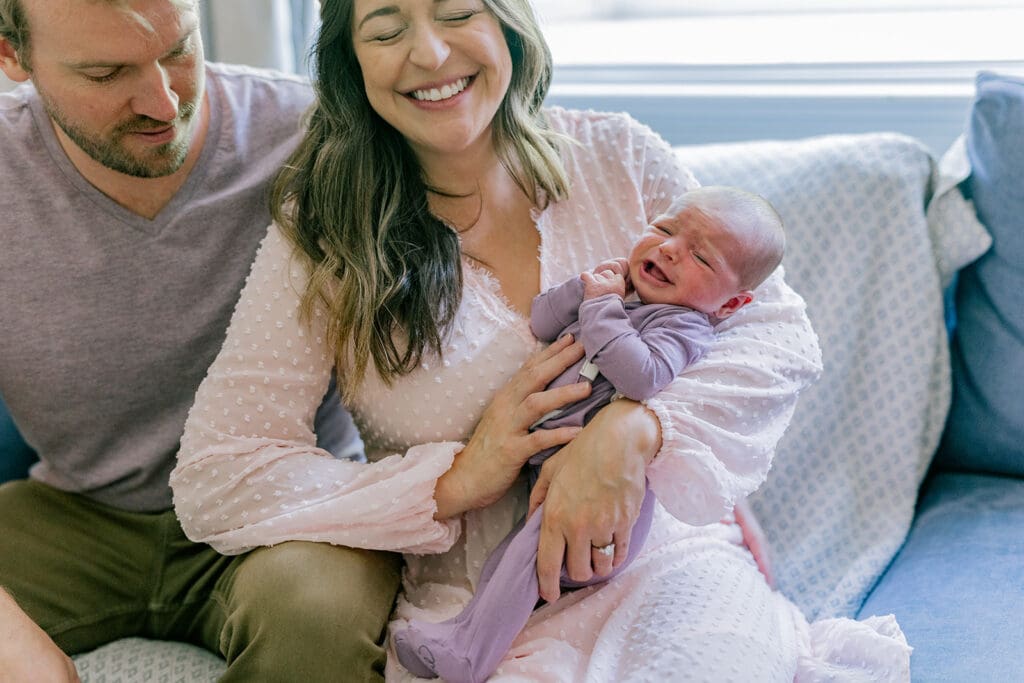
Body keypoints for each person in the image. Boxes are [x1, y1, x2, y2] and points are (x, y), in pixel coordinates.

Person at [172, 0, 912, 680]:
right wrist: (456, 477)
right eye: (386, 28)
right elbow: (219, 470)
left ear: (509, 27)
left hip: (664, 563)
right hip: (476, 605)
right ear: (351, 61)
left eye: (458, 10)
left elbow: (777, 335)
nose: (428, 53)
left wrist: (632, 429)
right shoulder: (326, 228)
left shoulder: (617, 157)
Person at [0, 1, 403, 681]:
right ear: (12, 59)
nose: (162, 101)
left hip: (283, 514)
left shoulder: (316, 137)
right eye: (106, 73)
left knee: (318, 621)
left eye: (179, 51)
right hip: (76, 513)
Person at [393, 185, 786, 681]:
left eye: (700, 258)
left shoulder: (683, 326)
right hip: (552, 469)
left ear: (731, 304)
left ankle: (469, 653)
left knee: (526, 560)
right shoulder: (617, 287)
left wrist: (600, 308)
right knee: (506, 564)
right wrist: (581, 290)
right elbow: (541, 320)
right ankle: (471, 630)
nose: (668, 249)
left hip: (599, 490)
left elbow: (640, 375)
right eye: (665, 229)